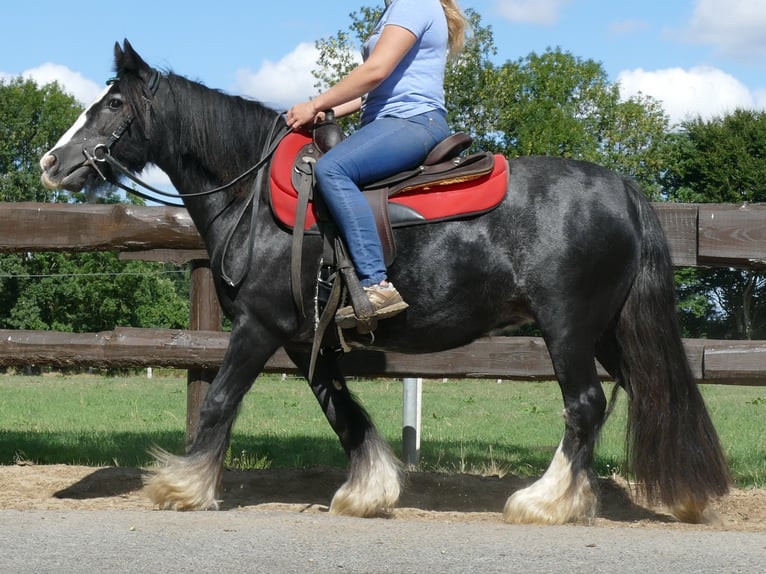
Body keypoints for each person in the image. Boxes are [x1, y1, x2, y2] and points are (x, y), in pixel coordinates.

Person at [286, 0, 469, 327]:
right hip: (389, 122)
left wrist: (316, 101)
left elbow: (375, 71)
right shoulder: (396, 10)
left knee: (333, 169)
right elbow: (370, 92)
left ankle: (376, 284)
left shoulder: (413, 3)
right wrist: (321, 114)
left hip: (413, 121)